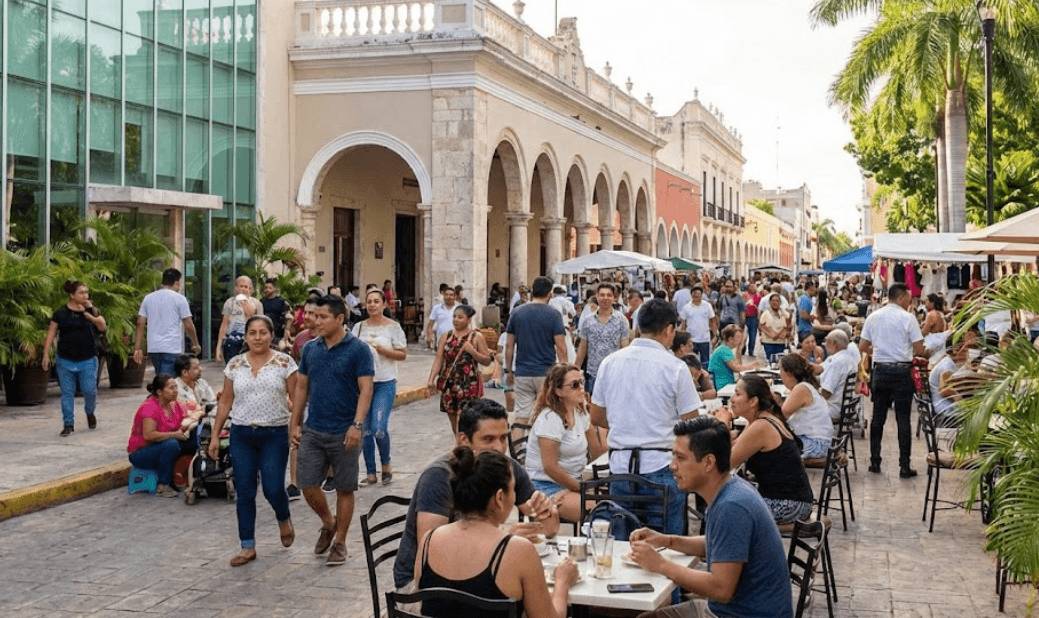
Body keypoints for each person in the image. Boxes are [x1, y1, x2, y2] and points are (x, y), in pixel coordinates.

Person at [628, 416, 794, 618]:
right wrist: (665, 540)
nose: (672, 466)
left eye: (680, 458)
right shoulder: (731, 489)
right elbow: (718, 544)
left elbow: (721, 590)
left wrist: (661, 564)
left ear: (708, 462)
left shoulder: (731, 506)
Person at [392, 399, 561, 594]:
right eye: (488, 439)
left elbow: (550, 529)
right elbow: (431, 555)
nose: (499, 447)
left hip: (477, 570)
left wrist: (546, 511)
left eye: (503, 438)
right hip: (423, 587)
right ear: (463, 440)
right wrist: (502, 543)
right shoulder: (439, 477)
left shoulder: (506, 468)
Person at [412, 446, 575, 618]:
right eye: (513, 490)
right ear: (499, 498)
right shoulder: (517, 550)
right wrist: (562, 581)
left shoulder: (428, 541)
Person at [590, 299, 700, 536]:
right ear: (669, 329)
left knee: (623, 542)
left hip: (621, 466)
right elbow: (692, 422)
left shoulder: (610, 362)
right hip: (662, 465)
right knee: (667, 545)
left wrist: (627, 423)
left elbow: (596, 415)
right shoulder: (675, 367)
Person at [290, 295, 375, 566]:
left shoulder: (359, 350)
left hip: (345, 431)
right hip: (314, 428)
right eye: (314, 316)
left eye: (322, 317)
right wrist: (295, 423)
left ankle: (340, 542)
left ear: (340, 319)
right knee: (307, 483)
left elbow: (366, 389)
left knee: (344, 488)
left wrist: (357, 425)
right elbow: (301, 387)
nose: (316, 321)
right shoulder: (310, 349)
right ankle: (328, 522)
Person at [209, 316, 298, 566]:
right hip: (242, 435)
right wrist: (215, 435)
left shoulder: (285, 363)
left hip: (274, 434)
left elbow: (297, 398)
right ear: (246, 336)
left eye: (262, 332)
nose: (257, 337)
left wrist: (296, 426)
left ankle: (283, 517)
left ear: (271, 335)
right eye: (252, 333)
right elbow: (225, 402)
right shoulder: (235, 364)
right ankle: (247, 545)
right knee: (245, 491)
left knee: (272, 488)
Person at [714, 376, 814, 525]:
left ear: (753, 401)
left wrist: (723, 424)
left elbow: (726, 464)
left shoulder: (761, 426)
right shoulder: (759, 420)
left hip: (790, 504)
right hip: (790, 499)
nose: (732, 399)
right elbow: (735, 448)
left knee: (724, 509)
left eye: (737, 394)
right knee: (730, 495)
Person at [525, 363, 607, 523]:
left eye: (582, 382)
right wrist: (579, 488)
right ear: (558, 391)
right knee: (601, 512)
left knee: (616, 503)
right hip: (545, 485)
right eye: (575, 385)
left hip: (575, 481)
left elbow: (597, 452)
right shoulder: (550, 418)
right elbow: (550, 467)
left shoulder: (580, 412)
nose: (581, 388)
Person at [859, 283, 925, 477]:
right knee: (903, 419)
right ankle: (904, 465)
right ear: (900, 297)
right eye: (909, 298)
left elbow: (863, 346)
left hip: (881, 370)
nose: (910, 302)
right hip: (901, 371)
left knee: (877, 418)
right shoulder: (908, 318)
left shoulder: (873, 317)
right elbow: (920, 348)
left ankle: (875, 461)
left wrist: (879, 351)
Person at [351, 289, 408, 487]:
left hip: (385, 381)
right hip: (363, 383)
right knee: (365, 430)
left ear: (384, 304)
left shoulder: (393, 327)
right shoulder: (358, 328)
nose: (372, 305)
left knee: (379, 428)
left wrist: (385, 351)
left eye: (376, 301)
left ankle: (386, 464)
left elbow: (403, 354)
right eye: (369, 301)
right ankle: (370, 472)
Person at [42, 280, 106, 437]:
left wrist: (91, 315)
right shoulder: (60, 313)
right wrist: (46, 354)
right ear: (71, 295)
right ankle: (68, 424)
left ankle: (90, 412)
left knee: (90, 390)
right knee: (67, 393)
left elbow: (102, 326)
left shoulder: (91, 309)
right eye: (81, 293)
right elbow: (51, 334)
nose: (85, 295)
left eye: (86, 292)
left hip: (88, 359)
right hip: (65, 360)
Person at [504, 276, 568, 422]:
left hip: (523, 372)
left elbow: (509, 346)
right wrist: (564, 371)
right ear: (550, 295)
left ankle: (519, 437)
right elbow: (561, 347)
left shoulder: (516, 312)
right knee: (546, 414)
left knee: (522, 416)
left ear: (532, 291)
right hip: (546, 373)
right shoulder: (554, 314)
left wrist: (508, 370)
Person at [429, 305, 492, 434]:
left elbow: (486, 361)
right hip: (449, 383)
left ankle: (465, 443)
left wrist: (472, 351)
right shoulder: (446, 337)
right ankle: (460, 442)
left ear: (468, 320)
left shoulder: (476, 337)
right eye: (454, 317)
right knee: (454, 422)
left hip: (469, 384)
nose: (456, 320)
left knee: (464, 419)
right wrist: (431, 379)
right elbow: (439, 359)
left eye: (460, 317)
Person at [127, 374, 189, 498]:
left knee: (192, 439)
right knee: (172, 444)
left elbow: (185, 419)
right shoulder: (149, 407)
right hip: (141, 453)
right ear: (160, 392)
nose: (175, 391)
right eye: (171, 388)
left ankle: (186, 477)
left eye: (176, 387)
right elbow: (149, 435)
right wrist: (174, 434)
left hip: (159, 446)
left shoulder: (174, 404)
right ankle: (163, 485)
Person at [133, 268, 202, 376]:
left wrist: (138, 348)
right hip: (171, 347)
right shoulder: (180, 299)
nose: (179, 288)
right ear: (176, 283)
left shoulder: (148, 298)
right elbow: (188, 325)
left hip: (154, 347)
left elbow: (140, 323)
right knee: (167, 381)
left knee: (161, 378)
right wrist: (195, 344)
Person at [777, 354, 835, 458]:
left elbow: (782, 414)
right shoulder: (807, 386)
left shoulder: (801, 388)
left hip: (816, 444)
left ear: (788, 373)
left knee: (772, 446)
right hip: (820, 442)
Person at [575, 283, 630, 394]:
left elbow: (625, 348)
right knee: (592, 404)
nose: (605, 298)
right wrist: (575, 370)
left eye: (609, 295)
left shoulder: (621, 320)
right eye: (602, 295)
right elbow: (583, 347)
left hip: (614, 374)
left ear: (614, 298)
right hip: (593, 374)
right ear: (597, 296)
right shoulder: (588, 320)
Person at [216, 276, 265, 363]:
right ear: (236, 288)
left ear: (250, 288)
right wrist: (218, 348)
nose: (243, 289)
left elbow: (261, 325)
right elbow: (224, 325)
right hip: (232, 341)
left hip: (250, 342)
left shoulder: (257, 304)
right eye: (241, 286)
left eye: (246, 287)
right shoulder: (230, 302)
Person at [816, 330, 859, 421]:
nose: (825, 345)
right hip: (843, 407)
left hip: (832, 409)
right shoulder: (848, 358)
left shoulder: (836, 363)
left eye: (827, 342)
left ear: (834, 344)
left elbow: (826, 393)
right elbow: (820, 369)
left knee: (800, 408)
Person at [708, 325, 762, 391]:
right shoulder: (724, 350)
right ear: (730, 339)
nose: (741, 339)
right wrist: (752, 366)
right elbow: (736, 368)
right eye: (738, 337)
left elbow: (738, 365)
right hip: (722, 385)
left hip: (726, 382)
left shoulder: (725, 348)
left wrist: (739, 350)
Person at [173, 354, 217, 427]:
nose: (200, 369)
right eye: (196, 368)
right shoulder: (174, 388)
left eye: (199, 366)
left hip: (201, 421)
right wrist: (203, 410)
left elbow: (213, 404)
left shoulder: (202, 383)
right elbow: (188, 413)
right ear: (185, 372)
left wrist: (201, 411)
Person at [679, 286, 716, 366]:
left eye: (698, 293)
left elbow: (713, 320)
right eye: (694, 293)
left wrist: (715, 335)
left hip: (704, 339)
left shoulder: (707, 305)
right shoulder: (686, 307)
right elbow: (683, 323)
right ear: (691, 295)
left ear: (701, 295)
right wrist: (683, 337)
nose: (696, 295)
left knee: (705, 363)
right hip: (691, 340)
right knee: (692, 363)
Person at [758, 293, 791, 364]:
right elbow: (762, 327)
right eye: (773, 301)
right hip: (768, 342)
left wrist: (786, 333)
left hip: (781, 343)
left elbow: (789, 326)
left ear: (780, 302)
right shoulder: (765, 314)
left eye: (777, 301)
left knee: (779, 362)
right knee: (770, 361)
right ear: (770, 302)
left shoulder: (784, 313)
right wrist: (774, 334)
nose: (775, 303)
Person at [260, 278, 290, 346]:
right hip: (265, 333)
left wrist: (287, 330)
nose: (267, 290)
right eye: (265, 288)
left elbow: (289, 317)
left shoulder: (282, 302)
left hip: (279, 335)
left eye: (270, 288)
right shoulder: (261, 302)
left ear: (274, 289)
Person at [742, 282, 762, 357]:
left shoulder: (759, 296)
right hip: (745, 317)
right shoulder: (744, 295)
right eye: (751, 286)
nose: (753, 288)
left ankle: (751, 351)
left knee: (752, 336)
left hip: (754, 317)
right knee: (743, 336)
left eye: (754, 286)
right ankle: (742, 350)